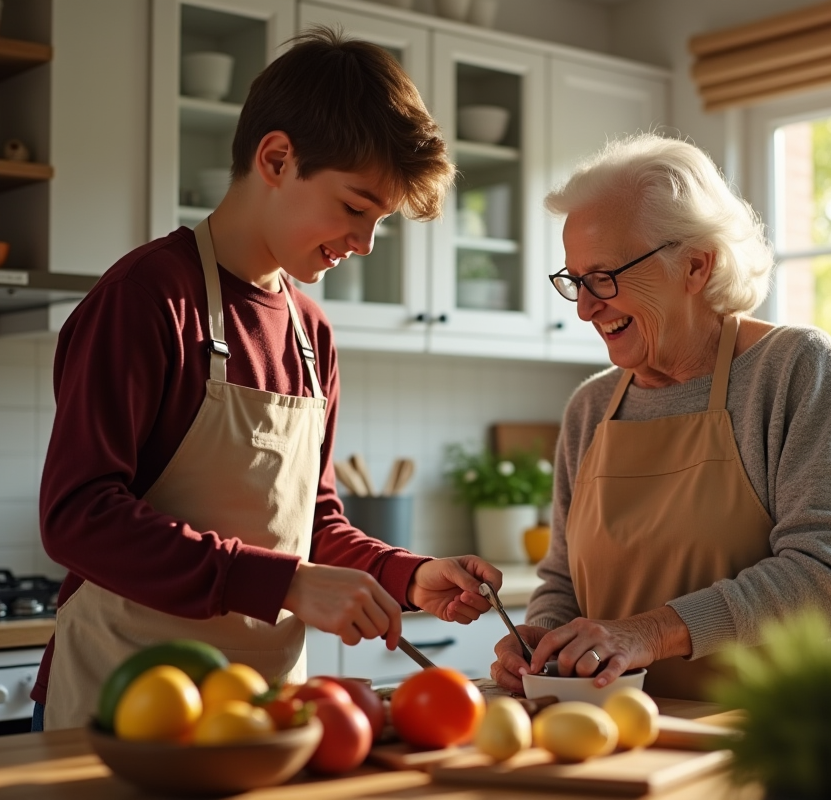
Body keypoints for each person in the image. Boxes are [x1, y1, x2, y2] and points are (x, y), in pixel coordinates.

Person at [32, 28, 502, 731]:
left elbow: (310, 526)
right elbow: (77, 515)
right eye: (354, 207)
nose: (364, 243)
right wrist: (283, 582)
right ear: (277, 159)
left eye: (380, 223)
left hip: (264, 713)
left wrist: (407, 575)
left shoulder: (311, 334)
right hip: (122, 703)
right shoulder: (148, 297)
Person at [490, 133, 831, 701]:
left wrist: (648, 634)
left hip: (805, 737)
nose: (586, 307)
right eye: (575, 281)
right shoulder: (590, 408)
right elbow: (563, 579)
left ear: (694, 265)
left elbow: (827, 578)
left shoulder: (793, 369)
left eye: (604, 277)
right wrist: (545, 637)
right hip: (650, 734)